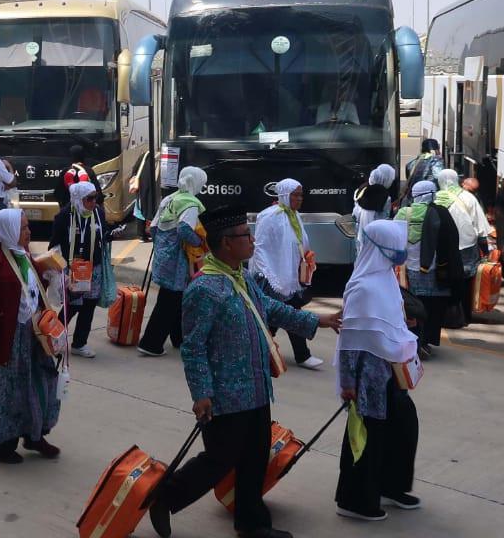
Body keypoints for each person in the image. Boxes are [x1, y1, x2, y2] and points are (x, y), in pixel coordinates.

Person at [149, 204, 340, 538]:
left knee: (254, 457)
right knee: (219, 459)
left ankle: (252, 524)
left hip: (255, 387)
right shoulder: (205, 288)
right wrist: (201, 393)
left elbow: (269, 307)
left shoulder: (241, 276)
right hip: (224, 395)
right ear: (225, 243)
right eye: (245, 236)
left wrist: (318, 320)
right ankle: (165, 497)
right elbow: (193, 347)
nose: (252, 241)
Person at [335, 219, 422, 522]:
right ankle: (354, 500)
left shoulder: (386, 277)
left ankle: (391, 486)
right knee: (366, 439)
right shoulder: (362, 286)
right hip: (367, 378)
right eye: (397, 246)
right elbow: (350, 340)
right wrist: (348, 383)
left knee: (403, 428)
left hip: (392, 371)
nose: (401, 253)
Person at [0, 208, 63, 464]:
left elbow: (29, 290)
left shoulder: (24, 256)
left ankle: (35, 434)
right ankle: (1, 445)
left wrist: (49, 276)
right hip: (7, 338)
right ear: (8, 232)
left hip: (33, 333)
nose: (28, 232)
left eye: (27, 227)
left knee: (41, 382)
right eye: (22, 228)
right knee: (8, 392)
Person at [251, 178, 324, 369]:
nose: (300, 199)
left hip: (288, 274)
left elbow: (299, 241)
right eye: (295, 195)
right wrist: (270, 274)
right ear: (284, 194)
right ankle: (300, 355)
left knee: (278, 315)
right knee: (283, 313)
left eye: (301, 194)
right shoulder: (270, 216)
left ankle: (262, 349)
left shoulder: (293, 215)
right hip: (272, 275)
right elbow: (260, 247)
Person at [138, 166, 208, 357]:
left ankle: (179, 338)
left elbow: (152, 228)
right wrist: (200, 242)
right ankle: (151, 343)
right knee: (168, 302)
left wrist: (163, 247)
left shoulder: (169, 199)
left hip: (163, 257)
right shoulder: (190, 203)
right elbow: (185, 229)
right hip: (178, 260)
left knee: (176, 298)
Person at [48, 182, 116, 358]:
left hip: (94, 268)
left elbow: (103, 234)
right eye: (90, 199)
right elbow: (54, 244)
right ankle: (53, 339)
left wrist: (111, 234)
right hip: (73, 269)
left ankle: (79, 343)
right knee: (71, 306)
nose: (94, 202)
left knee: (89, 306)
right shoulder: (65, 216)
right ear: (78, 198)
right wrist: (59, 270)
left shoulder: (98, 213)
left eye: (96, 198)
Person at [394, 180, 461, 358]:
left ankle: (415, 341)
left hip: (408, 271)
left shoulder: (403, 212)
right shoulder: (440, 213)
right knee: (432, 308)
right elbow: (451, 241)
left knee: (412, 307)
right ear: (431, 194)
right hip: (434, 271)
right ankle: (426, 342)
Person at [435, 168, 490, 323]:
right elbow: (481, 229)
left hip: (442, 247)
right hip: (466, 247)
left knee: (443, 277)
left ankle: (444, 316)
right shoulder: (468, 198)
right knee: (466, 280)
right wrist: (485, 252)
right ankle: (464, 315)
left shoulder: (435, 198)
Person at [354, 164, 396, 248]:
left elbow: (355, 214)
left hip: (361, 234)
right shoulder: (384, 197)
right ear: (385, 179)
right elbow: (384, 219)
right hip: (376, 238)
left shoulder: (361, 190)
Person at [403, 139, 444, 203]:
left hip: (413, 199)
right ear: (436, 150)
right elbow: (439, 177)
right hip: (429, 199)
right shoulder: (436, 161)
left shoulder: (411, 163)